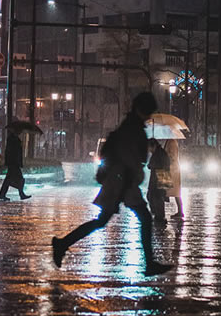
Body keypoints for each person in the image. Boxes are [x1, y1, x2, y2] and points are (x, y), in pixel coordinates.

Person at [52, 92, 173, 277]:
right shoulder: (133, 128)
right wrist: (133, 176)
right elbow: (129, 156)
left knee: (105, 221)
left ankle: (62, 244)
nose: (149, 115)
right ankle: (149, 264)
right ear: (143, 109)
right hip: (122, 181)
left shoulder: (131, 124)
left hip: (121, 180)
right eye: (148, 111)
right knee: (142, 219)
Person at [0, 125, 31, 201]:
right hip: (13, 163)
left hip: (14, 162)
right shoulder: (12, 139)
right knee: (20, 179)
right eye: (19, 130)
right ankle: (21, 194)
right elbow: (10, 151)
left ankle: (3, 194)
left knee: (8, 179)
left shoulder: (15, 138)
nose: (20, 132)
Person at [146, 139, 170, 225]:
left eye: (149, 147)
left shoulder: (159, 153)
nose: (149, 150)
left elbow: (159, 165)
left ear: (153, 146)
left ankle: (159, 217)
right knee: (153, 197)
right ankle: (158, 215)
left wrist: (151, 165)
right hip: (160, 177)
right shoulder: (158, 153)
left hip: (160, 177)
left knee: (157, 198)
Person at [164, 139, 184, 219]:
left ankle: (160, 213)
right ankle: (180, 211)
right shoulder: (170, 141)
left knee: (173, 192)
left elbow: (171, 155)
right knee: (175, 193)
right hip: (171, 169)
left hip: (171, 170)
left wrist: (165, 155)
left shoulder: (171, 142)